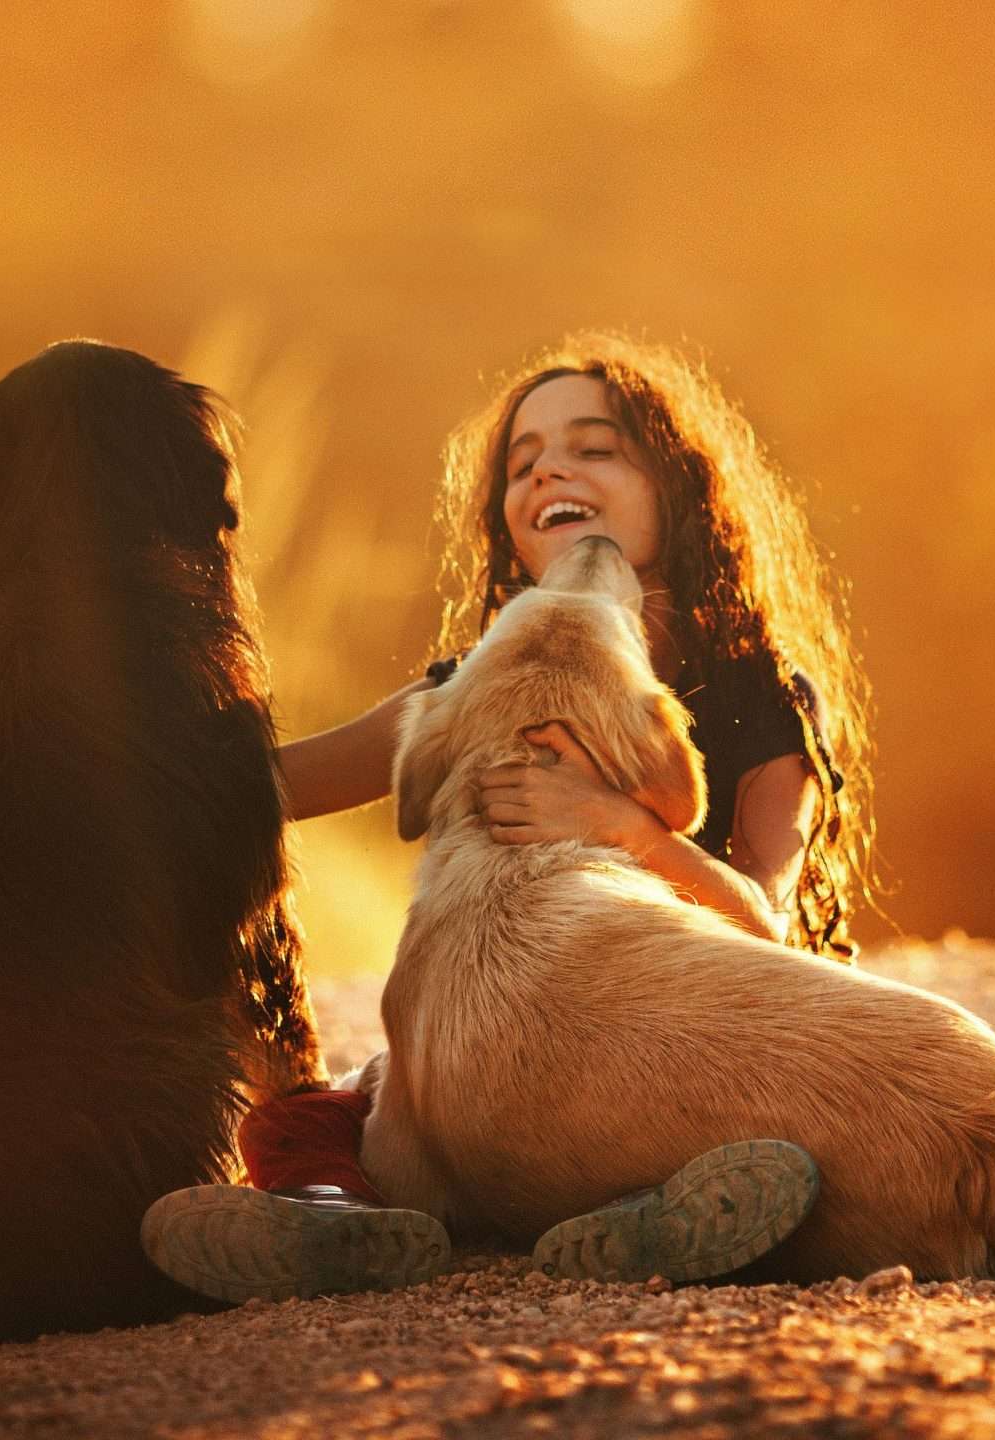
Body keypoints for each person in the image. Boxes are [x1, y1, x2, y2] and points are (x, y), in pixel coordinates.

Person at [141, 334, 875, 1301]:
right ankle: (336, 1221)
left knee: (764, 1133)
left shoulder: (759, 700)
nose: (551, 469)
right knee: (311, 1117)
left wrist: (619, 823)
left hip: (685, 1045)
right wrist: (118, 724)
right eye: (523, 463)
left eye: (594, 447)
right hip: (516, 1061)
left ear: (677, 490)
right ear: (509, 529)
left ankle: (638, 1217)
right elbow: (263, 791)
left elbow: (765, 922)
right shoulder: (471, 692)